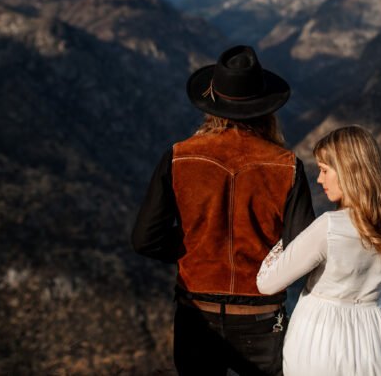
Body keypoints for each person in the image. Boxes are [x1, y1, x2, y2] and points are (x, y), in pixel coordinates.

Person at [131, 45, 316, 376]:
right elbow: (301, 248)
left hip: (196, 312)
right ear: (265, 108)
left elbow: (145, 238)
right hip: (261, 316)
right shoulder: (287, 166)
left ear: (211, 105)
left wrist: (194, 246)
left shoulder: (179, 157)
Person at [257, 125, 381, 376]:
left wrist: (287, 238)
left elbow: (267, 283)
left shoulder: (329, 227)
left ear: (349, 171)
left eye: (325, 170)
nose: (319, 179)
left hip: (322, 335)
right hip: (374, 337)